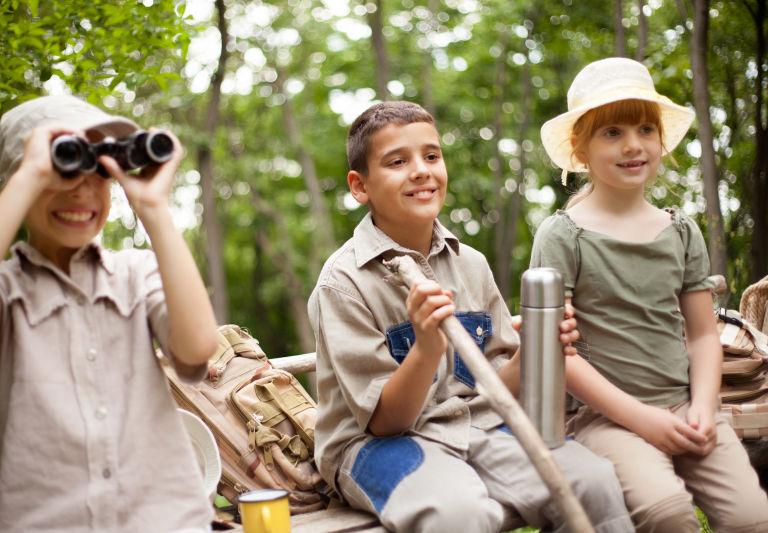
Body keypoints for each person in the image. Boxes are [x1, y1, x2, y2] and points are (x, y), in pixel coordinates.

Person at [307, 100, 634, 532]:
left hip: (473, 425)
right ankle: (458, 486)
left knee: (590, 481)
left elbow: (496, 391)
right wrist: (426, 349)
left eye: (431, 155)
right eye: (397, 161)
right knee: (458, 513)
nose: (421, 170)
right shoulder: (343, 283)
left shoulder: (470, 264)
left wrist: (535, 349)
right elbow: (387, 422)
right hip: (375, 447)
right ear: (360, 186)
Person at [532, 57, 768, 533]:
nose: (633, 144)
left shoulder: (680, 232)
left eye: (645, 128)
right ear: (580, 148)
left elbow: (703, 336)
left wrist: (704, 406)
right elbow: (561, 355)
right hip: (606, 419)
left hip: (689, 406)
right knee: (666, 513)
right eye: (611, 132)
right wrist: (643, 420)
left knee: (752, 518)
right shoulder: (563, 237)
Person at [0, 95, 220, 532]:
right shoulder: (2, 287)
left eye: (100, 169)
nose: (82, 188)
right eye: (66, 164)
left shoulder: (135, 273)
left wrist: (155, 210)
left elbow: (198, 346)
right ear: (21, 176)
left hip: (165, 520)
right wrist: (29, 176)